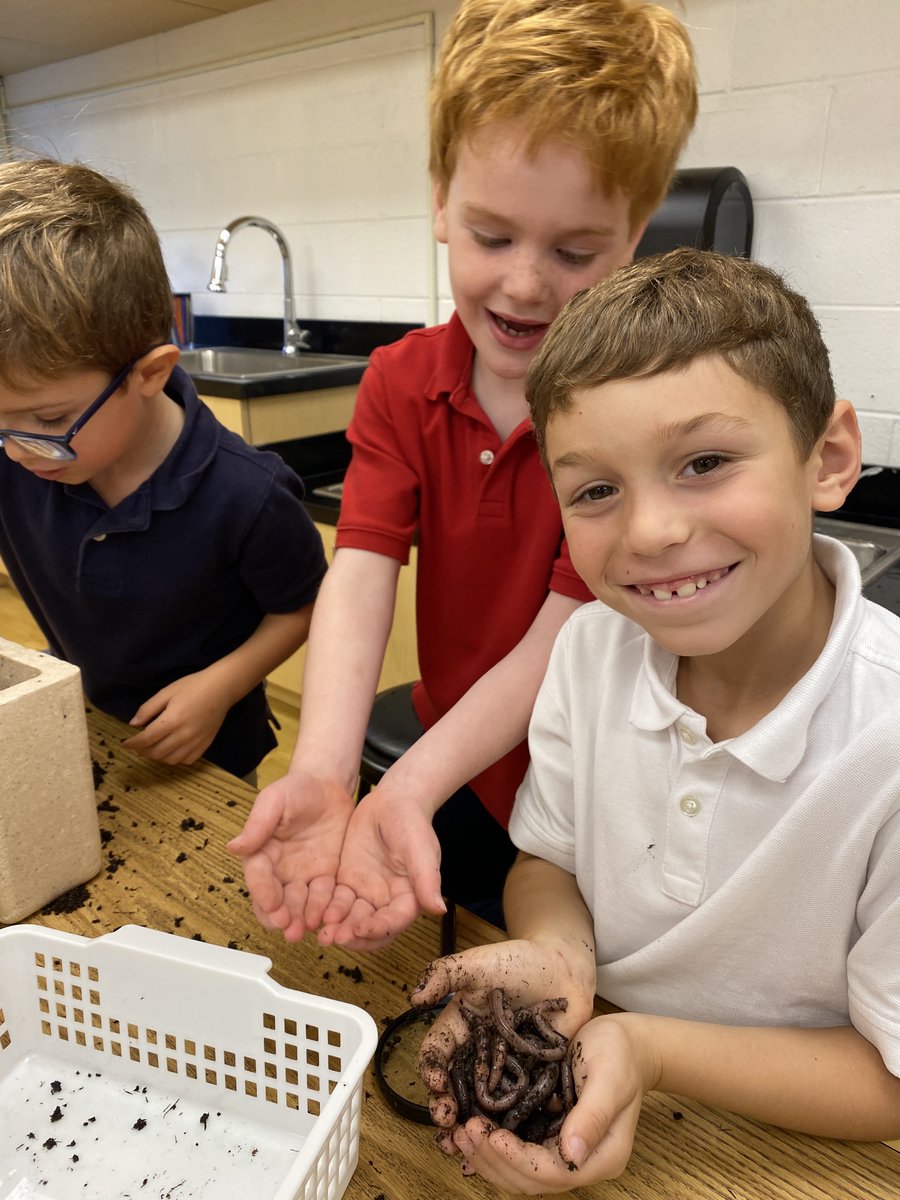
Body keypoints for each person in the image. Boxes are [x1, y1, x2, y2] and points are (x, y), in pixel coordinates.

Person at [411, 247, 900, 1193]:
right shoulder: (593, 651)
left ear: (828, 459)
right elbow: (548, 859)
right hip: (616, 1073)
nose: (649, 534)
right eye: (595, 490)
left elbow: (890, 1081)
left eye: (705, 462)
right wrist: (560, 958)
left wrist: (650, 1051)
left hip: (805, 1156)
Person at [230, 0, 698, 945]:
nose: (526, 285)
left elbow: (563, 636)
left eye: (576, 253)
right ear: (441, 197)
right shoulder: (402, 381)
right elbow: (360, 572)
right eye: (494, 238)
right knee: (445, 946)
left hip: (593, 787)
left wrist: (408, 780)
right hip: (453, 760)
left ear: (637, 230)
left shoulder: (632, 415)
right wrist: (324, 767)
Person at [0, 157, 327, 781]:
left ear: (149, 374)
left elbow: (306, 605)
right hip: (78, 722)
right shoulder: (17, 453)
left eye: (46, 420)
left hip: (209, 750)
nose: (18, 451)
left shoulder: (247, 495)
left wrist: (221, 686)